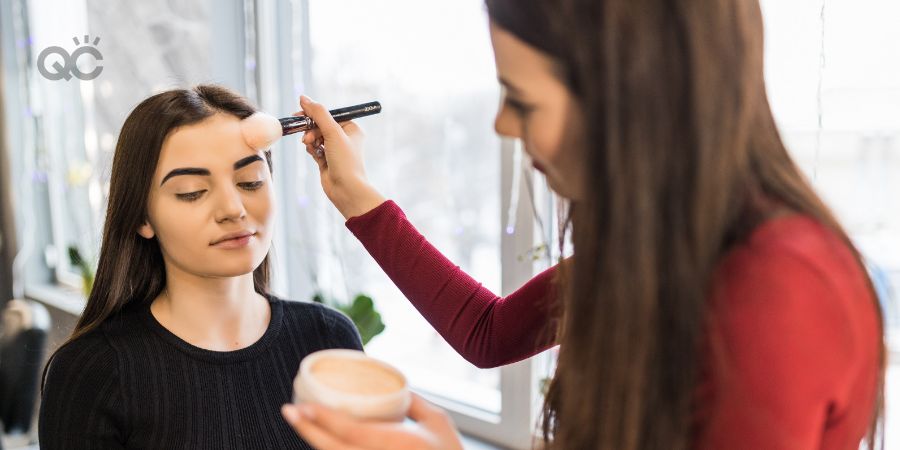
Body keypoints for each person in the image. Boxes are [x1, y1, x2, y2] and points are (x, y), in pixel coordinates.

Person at [280, 0, 885, 449]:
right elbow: (489, 333)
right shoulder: (656, 247)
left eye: (524, 101)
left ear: (632, 102)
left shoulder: (779, 291)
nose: (502, 125)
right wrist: (358, 197)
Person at [39, 85, 363, 449]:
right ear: (142, 217)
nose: (233, 208)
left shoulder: (328, 339)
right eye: (192, 191)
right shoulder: (93, 372)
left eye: (250, 182)